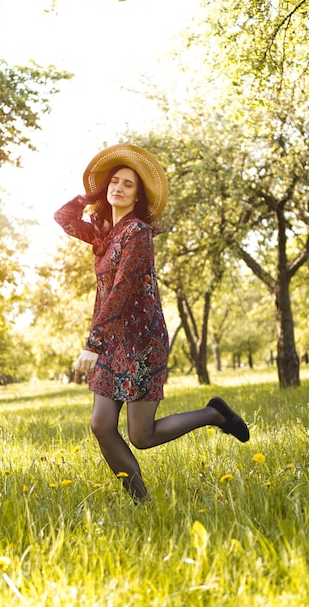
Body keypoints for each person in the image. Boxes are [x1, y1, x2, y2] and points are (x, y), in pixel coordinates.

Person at [54, 143, 249, 503]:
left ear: (138, 196)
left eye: (129, 184)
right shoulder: (102, 232)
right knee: (101, 424)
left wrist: (92, 343)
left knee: (142, 436)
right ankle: (141, 503)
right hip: (112, 338)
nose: (119, 188)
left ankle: (214, 414)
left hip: (142, 340)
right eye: (115, 181)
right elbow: (63, 217)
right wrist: (90, 193)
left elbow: (122, 291)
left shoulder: (138, 233)